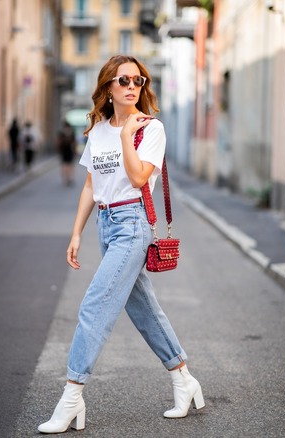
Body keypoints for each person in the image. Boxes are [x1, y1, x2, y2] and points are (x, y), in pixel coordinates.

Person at [37, 55, 204, 434]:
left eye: (139, 80)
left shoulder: (152, 129)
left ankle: (71, 398)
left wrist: (128, 135)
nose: (132, 86)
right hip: (106, 224)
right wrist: (77, 232)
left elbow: (138, 176)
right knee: (144, 308)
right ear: (108, 87)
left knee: (95, 305)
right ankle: (184, 379)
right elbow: (90, 185)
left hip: (133, 225)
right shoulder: (96, 130)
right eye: (124, 80)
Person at [58, 120, 76, 186]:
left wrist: (59, 150)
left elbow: (58, 142)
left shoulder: (61, 132)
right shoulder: (72, 132)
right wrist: (74, 151)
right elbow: (74, 143)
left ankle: (65, 178)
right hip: (70, 150)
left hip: (63, 150)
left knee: (64, 164)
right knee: (70, 165)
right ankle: (70, 177)